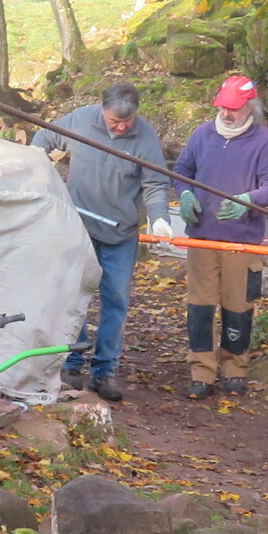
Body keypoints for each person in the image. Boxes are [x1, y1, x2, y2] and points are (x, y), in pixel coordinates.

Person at [32, 79, 174, 402]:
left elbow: (155, 183)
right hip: (79, 227)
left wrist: (160, 216)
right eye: (115, 121)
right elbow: (44, 136)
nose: (121, 127)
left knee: (116, 301)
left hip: (120, 233)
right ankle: (71, 364)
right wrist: (37, 165)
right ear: (102, 109)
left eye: (127, 121)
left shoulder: (146, 138)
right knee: (74, 295)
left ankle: (105, 371)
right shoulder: (81, 120)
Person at [170, 72, 268, 399]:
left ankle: (236, 370)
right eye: (223, 107)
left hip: (242, 241)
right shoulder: (202, 134)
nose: (226, 113)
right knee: (200, 307)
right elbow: (180, 171)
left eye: (233, 108)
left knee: (238, 307)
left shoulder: (264, 141)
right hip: (202, 239)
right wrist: (186, 195)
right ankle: (201, 372)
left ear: (250, 107)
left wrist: (249, 200)